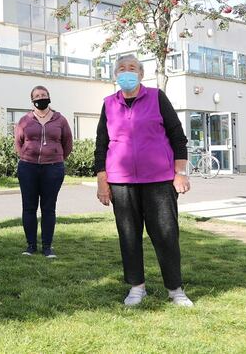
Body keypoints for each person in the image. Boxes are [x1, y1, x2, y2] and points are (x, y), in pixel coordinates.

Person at [94, 54, 193, 307]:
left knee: (166, 234)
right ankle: (137, 288)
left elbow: (177, 136)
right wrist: (102, 182)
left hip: (159, 180)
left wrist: (180, 172)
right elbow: (101, 146)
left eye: (132, 68)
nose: (126, 72)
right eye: (121, 69)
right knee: (129, 235)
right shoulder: (108, 104)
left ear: (141, 73)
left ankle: (175, 290)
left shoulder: (157, 97)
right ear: (115, 74)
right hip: (121, 182)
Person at [14, 85, 73, 257]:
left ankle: (47, 246)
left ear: (49, 97)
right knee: (29, 208)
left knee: (49, 208)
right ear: (32, 100)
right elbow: (18, 143)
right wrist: (27, 156)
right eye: (37, 95)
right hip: (28, 168)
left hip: (53, 169)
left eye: (44, 94)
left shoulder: (60, 120)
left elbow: (67, 143)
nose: (41, 97)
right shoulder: (25, 120)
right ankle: (30, 246)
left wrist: (57, 157)